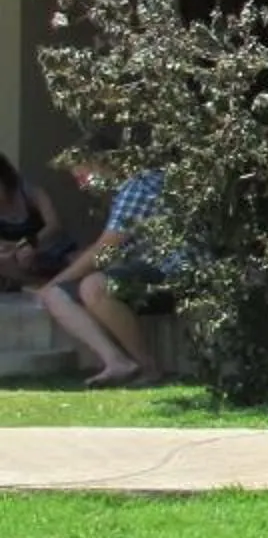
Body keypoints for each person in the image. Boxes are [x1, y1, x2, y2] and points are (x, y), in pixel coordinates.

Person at [38, 140, 172, 386]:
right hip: (142, 269)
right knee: (55, 296)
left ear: (101, 163)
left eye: (82, 176)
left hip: (172, 269)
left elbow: (105, 248)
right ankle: (117, 362)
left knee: (94, 286)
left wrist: (56, 279)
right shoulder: (122, 193)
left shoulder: (139, 186)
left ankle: (148, 368)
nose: (82, 185)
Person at [0, 153, 73, 290]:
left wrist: (30, 243)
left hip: (46, 245)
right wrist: (15, 248)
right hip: (16, 255)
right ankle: (34, 284)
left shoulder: (29, 192)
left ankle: (54, 284)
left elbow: (54, 225)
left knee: (75, 258)